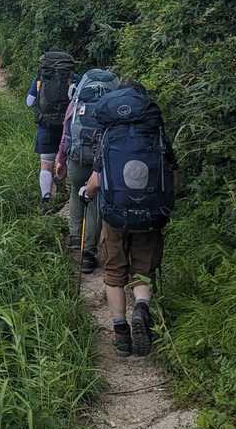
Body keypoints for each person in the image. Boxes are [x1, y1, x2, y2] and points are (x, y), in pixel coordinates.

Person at [77, 79, 176, 357]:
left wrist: (86, 192)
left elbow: (96, 181)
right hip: (150, 213)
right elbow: (172, 174)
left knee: (114, 271)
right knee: (143, 267)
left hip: (115, 214)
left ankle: (121, 333)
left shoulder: (110, 133)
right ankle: (141, 308)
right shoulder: (154, 131)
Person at [55, 67, 119, 272]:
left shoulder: (77, 100)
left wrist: (60, 159)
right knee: (95, 200)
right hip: (101, 162)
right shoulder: (115, 104)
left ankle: (75, 239)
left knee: (76, 192)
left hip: (77, 158)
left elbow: (66, 132)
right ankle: (88, 253)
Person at [26, 48, 75, 212]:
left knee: (46, 164)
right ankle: (64, 193)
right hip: (67, 127)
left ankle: (46, 199)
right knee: (65, 160)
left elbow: (29, 101)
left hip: (45, 125)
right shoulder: (72, 76)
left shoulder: (41, 76)